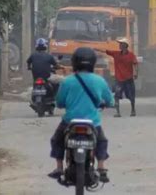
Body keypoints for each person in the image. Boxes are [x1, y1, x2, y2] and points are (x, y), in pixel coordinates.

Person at [48, 47, 114, 183]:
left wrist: (66, 104)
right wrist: (106, 103)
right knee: (101, 141)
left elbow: (59, 102)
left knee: (57, 140)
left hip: (69, 122)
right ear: (93, 62)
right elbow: (110, 101)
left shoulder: (67, 81)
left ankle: (59, 167)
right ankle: (101, 168)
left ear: (74, 62)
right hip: (92, 122)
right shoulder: (99, 80)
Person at [96, 38, 138, 117]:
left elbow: (135, 64)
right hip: (119, 79)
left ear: (125, 45)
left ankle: (133, 110)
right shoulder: (116, 54)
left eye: (121, 44)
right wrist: (97, 49)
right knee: (117, 96)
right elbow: (106, 51)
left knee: (131, 95)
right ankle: (118, 112)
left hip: (128, 79)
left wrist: (136, 73)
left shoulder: (131, 55)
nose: (119, 45)